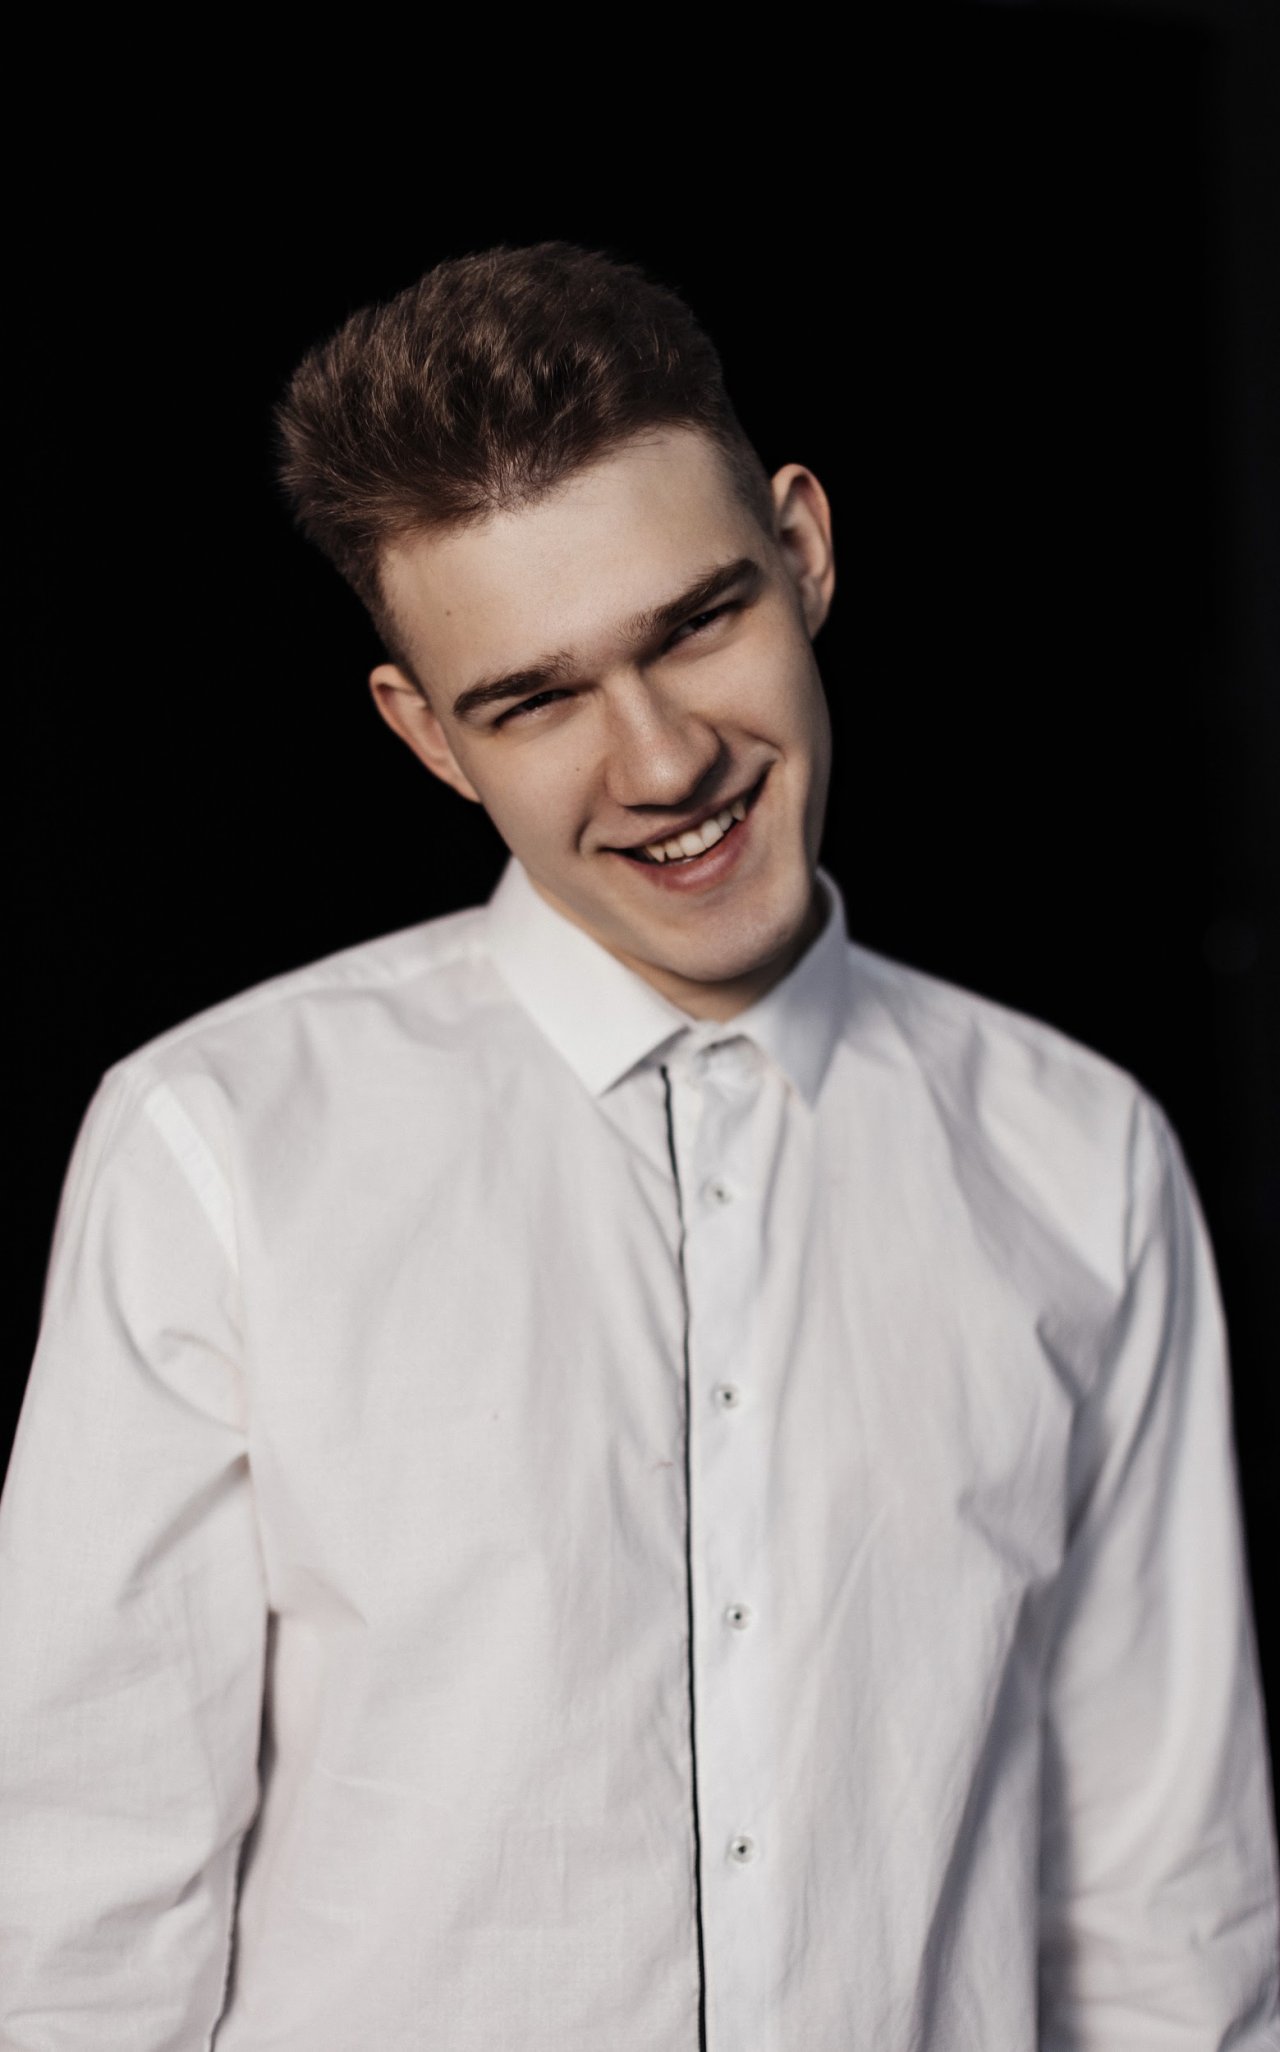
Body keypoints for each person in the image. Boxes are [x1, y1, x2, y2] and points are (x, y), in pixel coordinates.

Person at [1, 242, 1275, 2051]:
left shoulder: (1082, 1159)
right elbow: (80, 1917)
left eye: (695, 625)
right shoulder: (216, 1151)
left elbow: (1166, 1918)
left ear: (804, 549)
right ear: (429, 737)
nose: (665, 762)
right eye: (534, 700)